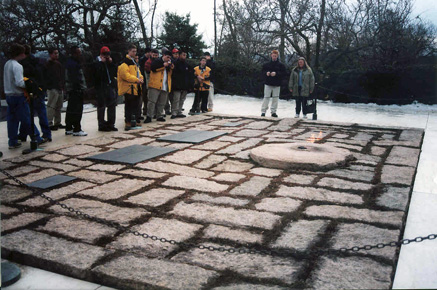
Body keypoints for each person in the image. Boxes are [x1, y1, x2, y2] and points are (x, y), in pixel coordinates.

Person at [4, 43, 42, 149]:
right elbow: (19, 83)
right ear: (20, 53)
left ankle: (13, 141)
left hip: (9, 95)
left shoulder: (7, 64)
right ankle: (37, 138)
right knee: (26, 118)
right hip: (18, 95)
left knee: (12, 120)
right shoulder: (17, 66)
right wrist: (29, 84)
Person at [20, 44, 51, 143]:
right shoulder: (39, 61)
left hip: (32, 90)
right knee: (41, 113)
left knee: (27, 114)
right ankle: (46, 134)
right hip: (40, 89)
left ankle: (24, 134)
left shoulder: (24, 64)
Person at [117, 44, 144, 130]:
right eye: (133, 51)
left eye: (135, 51)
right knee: (129, 106)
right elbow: (125, 75)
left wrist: (141, 78)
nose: (134, 53)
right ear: (128, 51)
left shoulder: (134, 62)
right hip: (129, 88)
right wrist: (136, 80)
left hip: (136, 87)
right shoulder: (124, 63)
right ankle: (128, 122)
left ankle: (135, 120)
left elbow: (138, 72)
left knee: (136, 106)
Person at [145, 50, 174, 123]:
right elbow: (153, 68)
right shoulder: (157, 61)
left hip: (165, 85)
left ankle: (159, 115)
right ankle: (149, 116)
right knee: (152, 101)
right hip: (155, 85)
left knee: (162, 102)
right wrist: (163, 65)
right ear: (163, 55)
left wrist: (171, 67)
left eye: (169, 58)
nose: (168, 59)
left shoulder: (169, 64)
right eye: (167, 57)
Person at [93, 46, 118, 131]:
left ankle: (111, 123)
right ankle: (101, 124)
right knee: (101, 106)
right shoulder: (96, 63)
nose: (106, 56)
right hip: (101, 87)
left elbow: (115, 72)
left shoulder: (109, 63)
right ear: (100, 55)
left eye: (107, 54)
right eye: (104, 55)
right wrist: (101, 63)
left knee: (112, 105)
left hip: (109, 85)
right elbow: (96, 75)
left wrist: (111, 63)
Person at [65, 46, 87, 136]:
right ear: (74, 53)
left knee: (70, 109)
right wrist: (80, 88)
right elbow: (76, 78)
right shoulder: (74, 64)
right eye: (78, 52)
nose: (80, 54)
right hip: (76, 89)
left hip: (71, 89)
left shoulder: (69, 62)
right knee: (77, 110)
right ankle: (77, 129)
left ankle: (69, 127)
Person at [44, 47, 65, 131]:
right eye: (55, 53)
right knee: (51, 105)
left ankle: (57, 122)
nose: (57, 55)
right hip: (52, 87)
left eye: (57, 53)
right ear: (50, 54)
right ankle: (49, 122)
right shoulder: (47, 64)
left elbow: (61, 75)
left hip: (59, 87)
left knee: (59, 106)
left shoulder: (58, 64)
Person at [261, 50, 286, 118]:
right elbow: (262, 72)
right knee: (266, 97)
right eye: (273, 55)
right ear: (271, 55)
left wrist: (276, 74)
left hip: (277, 84)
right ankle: (263, 111)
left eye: (275, 56)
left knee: (275, 98)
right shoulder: (266, 64)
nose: (274, 57)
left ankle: (273, 111)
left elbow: (284, 74)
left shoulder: (281, 65)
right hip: (268, 83)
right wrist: (267, 73)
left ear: (277, 56)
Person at [170, 49, 193, 119]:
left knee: (182, 99)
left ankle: (179, 111)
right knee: (176, 99)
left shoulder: (186, 64)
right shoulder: (175, 63)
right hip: (177, 84)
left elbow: (190, 72)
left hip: (184, 84)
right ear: (180, 55)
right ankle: (174, 112)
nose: (184, 56)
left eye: (185, 55)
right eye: (183, 55)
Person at [165, 48, 180, 115]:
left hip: (175, 81)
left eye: (177, 54)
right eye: (175, 54)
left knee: (173, 98)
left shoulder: (179, 61)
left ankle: (173, 109)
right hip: (169, 80)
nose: (176, 55)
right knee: (167, 96)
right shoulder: (170, 61)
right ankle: (167, 109)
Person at [139, 47, 151, 117]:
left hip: (148, 80)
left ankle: (146, 110)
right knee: (143, 96)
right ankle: (143, 110)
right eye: (149, 52)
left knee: (148, 96)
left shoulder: (150, 59)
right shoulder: (142, 60)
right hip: (143, 79)